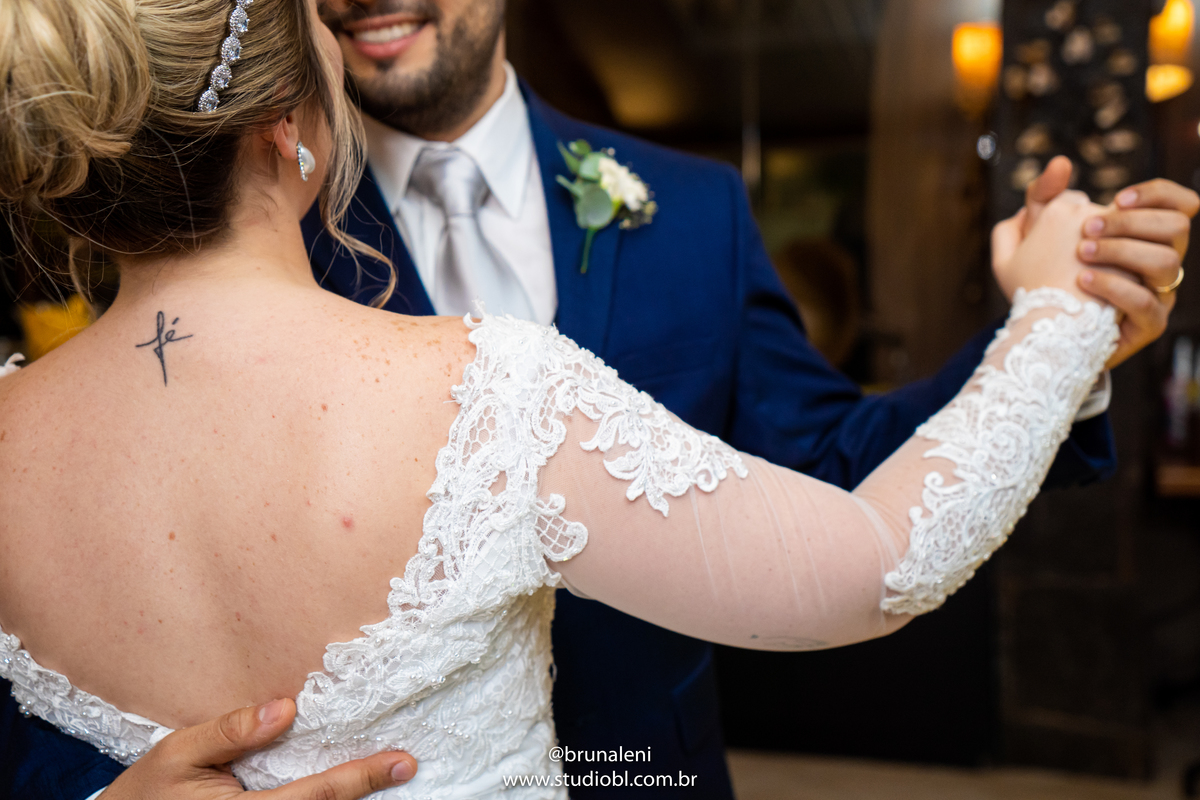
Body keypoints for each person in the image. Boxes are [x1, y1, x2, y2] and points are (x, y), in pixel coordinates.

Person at [3, 0, 1195, 797]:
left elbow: (828, 453)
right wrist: (1055, 312)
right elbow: (880, 556)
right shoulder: (480, 379)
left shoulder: (698, 206)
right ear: (289, 120)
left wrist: (1054, 374)